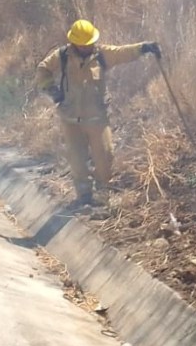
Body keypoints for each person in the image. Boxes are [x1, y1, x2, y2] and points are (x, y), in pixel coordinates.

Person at [36, 19, 161, 206]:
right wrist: (51, 90)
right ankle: (84, 196)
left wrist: (144, 48)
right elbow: (43, 69)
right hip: (70, 119)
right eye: (83, 44)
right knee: (77, 161)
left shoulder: (101, 54)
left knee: (105, 157)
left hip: (97, 119)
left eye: (90, 43)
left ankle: (102, 194)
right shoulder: (62, 55)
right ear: (74, 42)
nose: (88, 46)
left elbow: (122, 52)